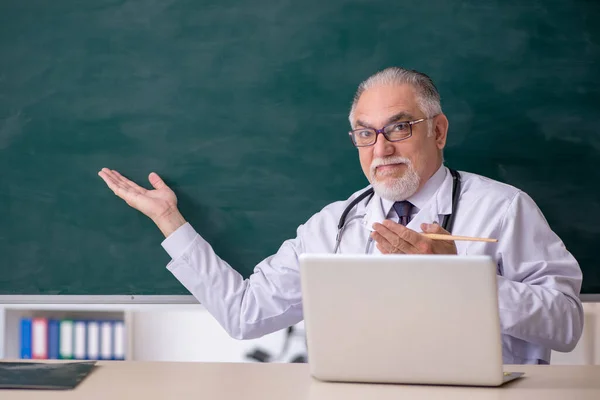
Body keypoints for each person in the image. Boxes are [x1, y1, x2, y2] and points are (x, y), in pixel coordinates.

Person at [98, 67, 583, 364]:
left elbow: (566, 325)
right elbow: (245, 316)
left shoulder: (501, 208)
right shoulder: (335, 224)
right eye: (364, 133)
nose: (382, 148)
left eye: (399, 127)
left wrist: (460, 278)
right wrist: (169, 221)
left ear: (437, 131)